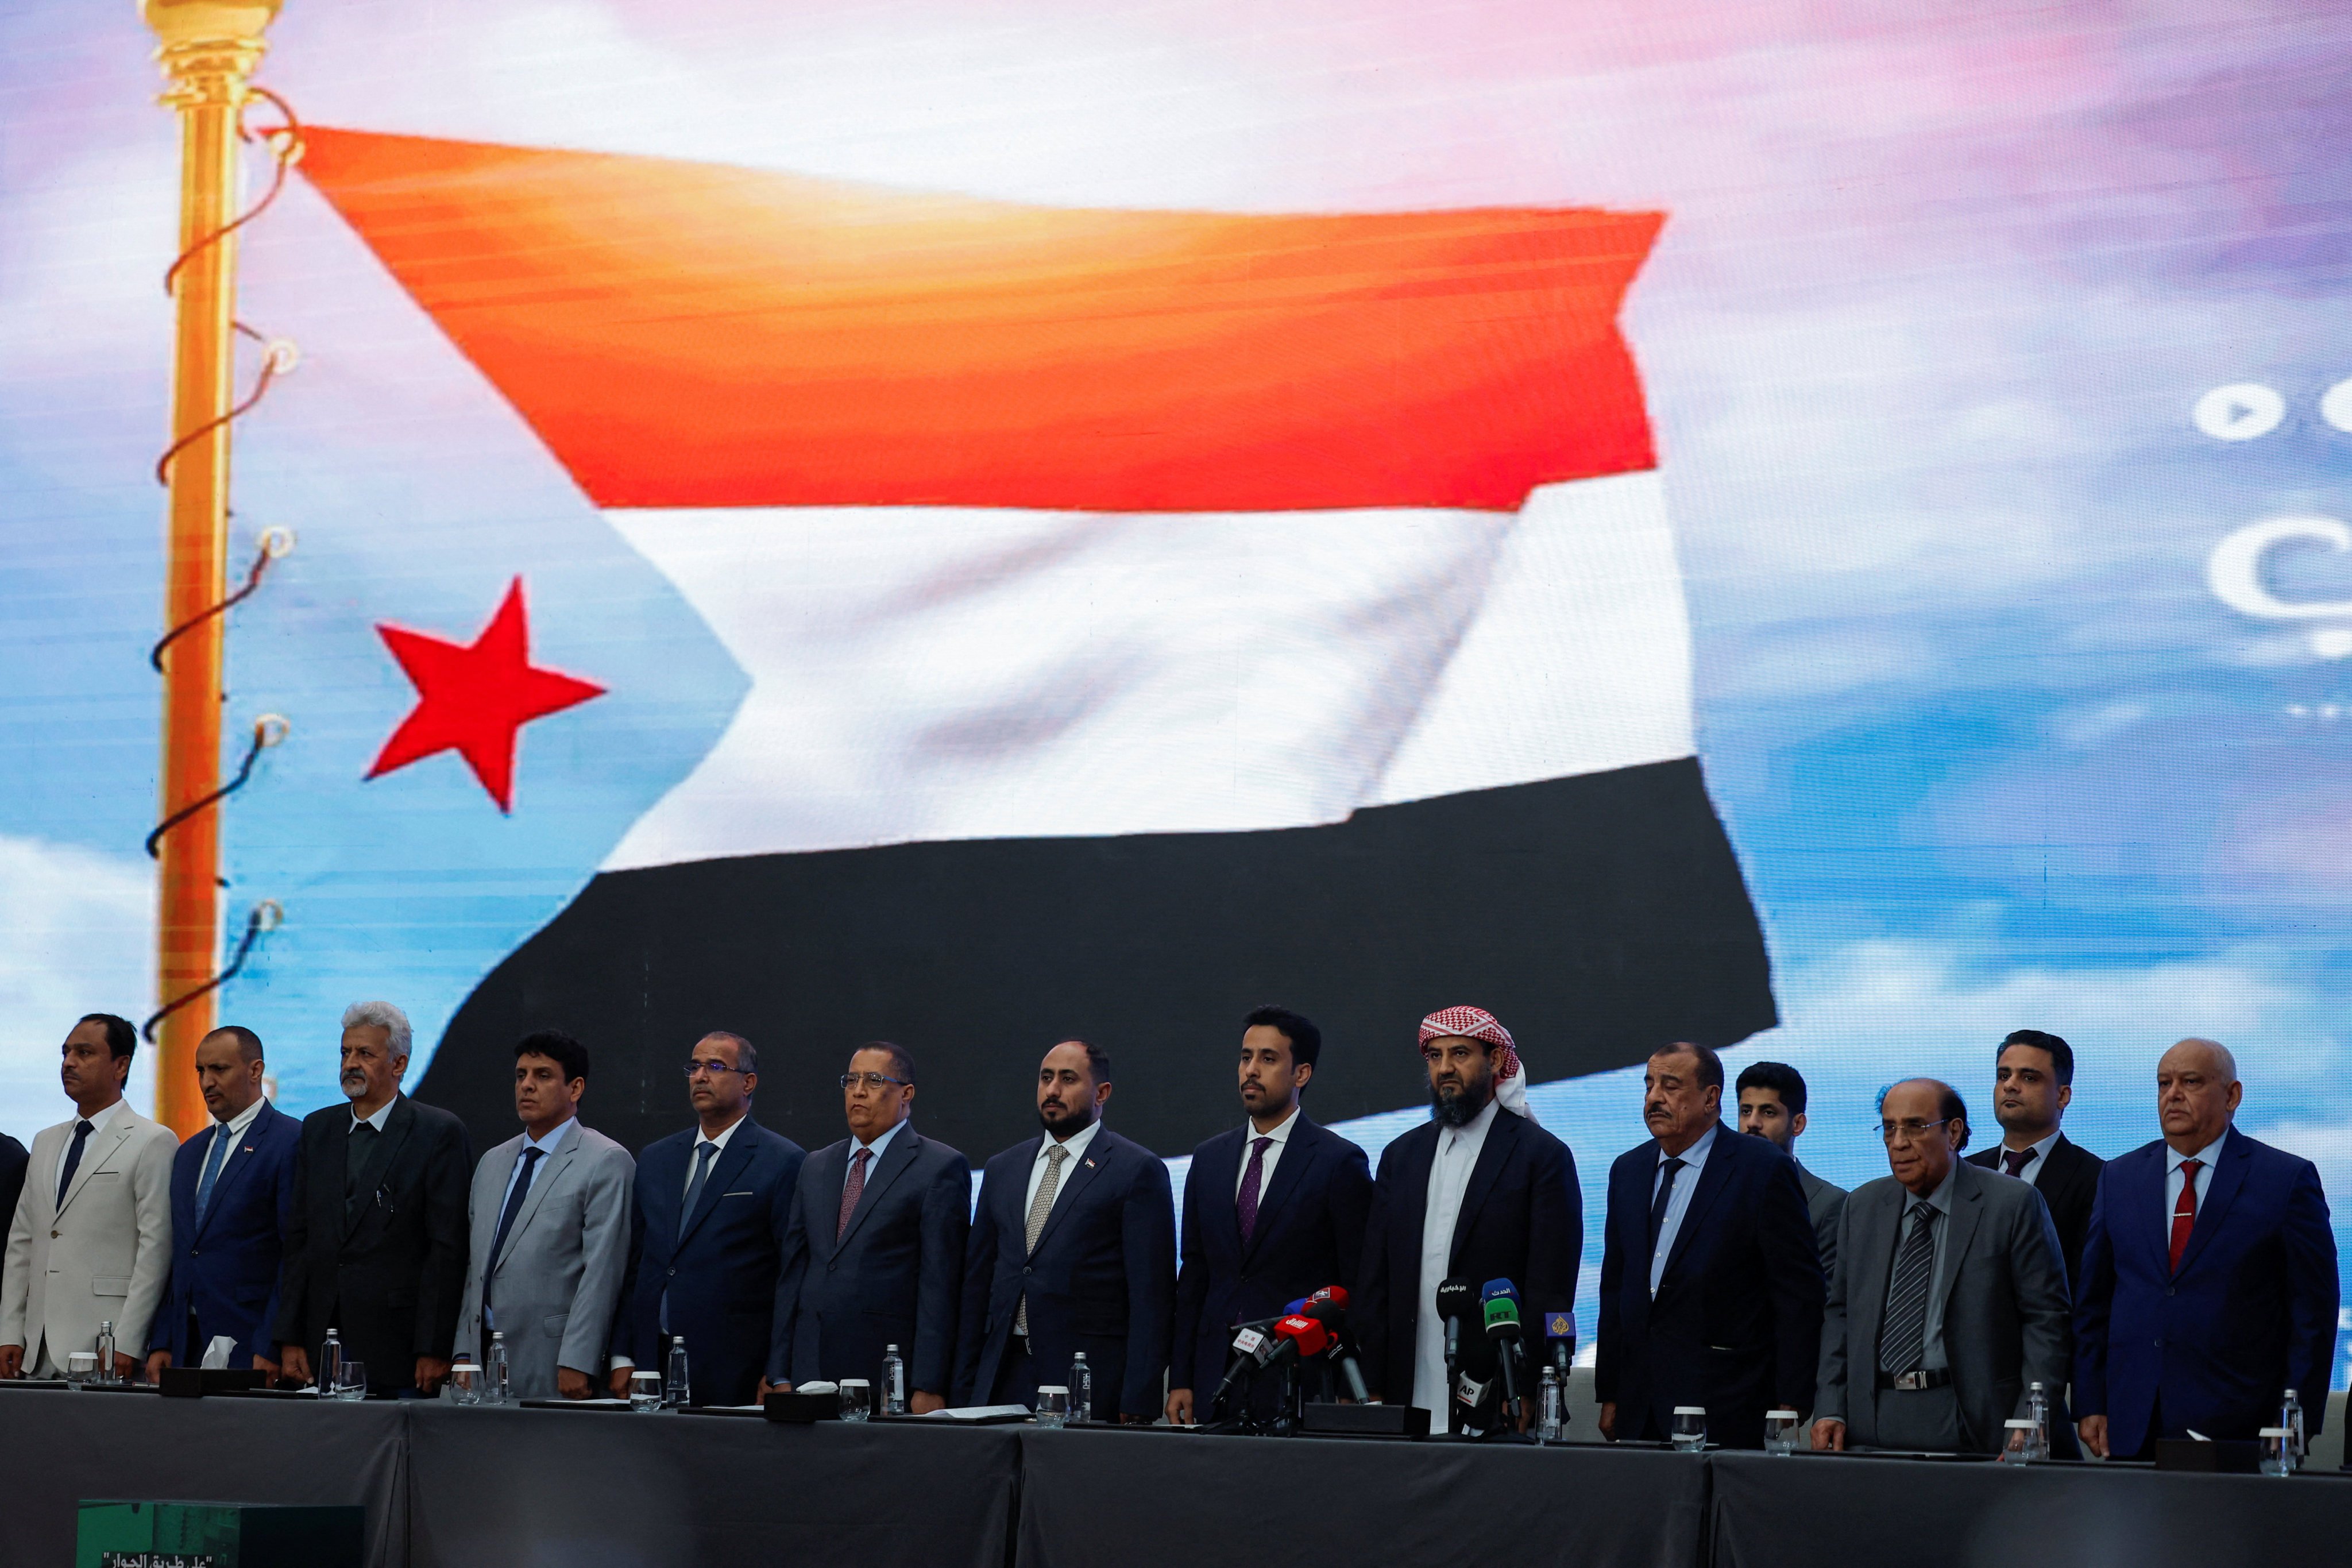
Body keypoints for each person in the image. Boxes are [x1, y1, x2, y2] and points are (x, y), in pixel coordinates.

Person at [2075, 1037, 2336, 1459]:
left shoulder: (2284, 1181)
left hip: (2242, 1423)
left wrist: (2294, 1420)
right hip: (2131, 1421)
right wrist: (2089, 1402)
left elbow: (2313, 1316)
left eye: (2190, 1082)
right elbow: (2094, 1303)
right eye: (2163, 1084)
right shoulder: (2118, 1178)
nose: (2172, 1095)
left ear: (2232, 1095)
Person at [1811, 1079, 2070, 1454]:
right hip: (1871, 1421)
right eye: (1888, 1128)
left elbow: (2046, 1322)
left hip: (1972, 1418)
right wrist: (1830, 1407)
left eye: (1915, 1127)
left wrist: (2031, 1421)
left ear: (1953, 1132)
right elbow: (1840, 1315)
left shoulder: (2011, 1205)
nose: (1898, 1142)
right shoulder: (1862, 1206)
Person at [1355, 1006, 1581, 1434]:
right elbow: (1375, 1280)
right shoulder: (1400, 1157)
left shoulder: (1541, 1157)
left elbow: (1550, 1285)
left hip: (1498, 1390)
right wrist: (1369, 1381)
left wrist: (1529, 1386)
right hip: (1406, 1382)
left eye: (1459, 1054)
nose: (1445, 1069)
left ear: (1495, 1061)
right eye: (1435, 1057)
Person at [1597, 1041, 1824, 1449]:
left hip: (1728, 1401)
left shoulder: (1760, 1167)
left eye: (1670, 1086)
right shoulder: (1627, 1170)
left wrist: (1790, 1399)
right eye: (1648, 1085)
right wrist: (1610, 1392)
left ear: (1710, 1098)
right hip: (1639, 1404)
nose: (1653, 1098)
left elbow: (1797, 1292)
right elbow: (1616, 1286)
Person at [1168, 1006, 1374, 1426]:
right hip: (1215, 1374)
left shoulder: (1337, 1162)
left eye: (1268, 1059)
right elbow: (1195, 1275)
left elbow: (1356, 1283)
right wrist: (1181, 1377)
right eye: (1246, 1057)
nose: (1251, 1071)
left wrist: (1355, 1383)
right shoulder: (1208, 1160)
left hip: (1297, 1373)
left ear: (1301, 1074)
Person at [956, 1040, 1175, 1421]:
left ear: (1101, 1093)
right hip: (1001, 1373)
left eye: (1068, 1079)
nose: (1052, 1090)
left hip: (1087, 1380)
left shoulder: (1135, 1169)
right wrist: (961, 1385)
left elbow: (1150, 1297)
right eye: (1046, 1078)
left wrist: (1137, 1399)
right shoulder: (1002, 1168)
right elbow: (977, 1283)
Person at [275, 1001, 473, 1396]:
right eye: (346, 1052)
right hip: (323, 1342)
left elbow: (446, 1249)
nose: (351, 1063)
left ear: (398, 1065)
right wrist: (290, 1335)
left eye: (365, 1054)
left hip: (398, 1345)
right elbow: (299, 1239)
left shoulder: (436, 1132)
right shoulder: (319, 1129)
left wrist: (433, 1347)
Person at [765, 1041, 969, 1409]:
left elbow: (940, 1287)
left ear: (906, 1093)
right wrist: (779, 1372)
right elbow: (793, 1274)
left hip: (886, 1372)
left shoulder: (938, 1167)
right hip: (809, 1368)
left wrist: (929, 1382)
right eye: (851, 1080)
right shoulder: (816, 1165)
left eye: (874, 1080)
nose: (858, 1091)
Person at [608, 1031, 804, 1407]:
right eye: (694, 1067)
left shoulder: (781, 1161)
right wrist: (622, 1354)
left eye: (715, 1067)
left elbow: (790, 1276)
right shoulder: (656, 1158)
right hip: (652, 1364)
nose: (700, 1077)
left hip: (734, 1366)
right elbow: (638, 1264)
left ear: (748, 1082)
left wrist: (779, 1368)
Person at [453, 1031, 633, 1400]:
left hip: (555, 1358)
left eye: (543, 1075)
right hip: (483, 1357)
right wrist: (462, 1354)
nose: (527, 1086)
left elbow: (603, 1271)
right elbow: (475, 1268)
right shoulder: (492, 1162)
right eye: (521, 1076)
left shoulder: (604, 1160)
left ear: (576, 1088)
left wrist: (579, 1360)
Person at [0, 1014, 176, 1381]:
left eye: (84, 1052)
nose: (69, 1062)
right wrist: (10, 1331)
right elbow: (22, 1243)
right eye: (65, 1053)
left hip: (105, 1341)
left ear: (121, 1065)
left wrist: (129, 1339)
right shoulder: (45, 1141)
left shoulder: (152, 1140)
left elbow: (156, 1248)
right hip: (35, 1344)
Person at [146, 1025, 301, 1380]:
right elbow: (182, 1253)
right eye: (201, 1071)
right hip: (187, 1344)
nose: (206, 1083)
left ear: (255, 1070)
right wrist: (165, 1339)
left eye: (219, 1069)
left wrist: (273, 1342)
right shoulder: (189, 1153)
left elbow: (294, 1255)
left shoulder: (290, 1141)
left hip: (252, 1342)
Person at [1964, 1029, 2103, 1289]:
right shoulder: (1964, 1172)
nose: (2010, 1085)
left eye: (2029, 1077)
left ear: (2063, 1096)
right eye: (2004, 1076)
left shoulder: (2097, 1178)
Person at [1735, 1060, 1845, 1277]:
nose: (1753, 1123)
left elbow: (1828, 1299)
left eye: (1768, 1113)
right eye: (1746, 1111)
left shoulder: (1830, 1206)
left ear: (1798, 1125)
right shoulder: (1714, 1190)